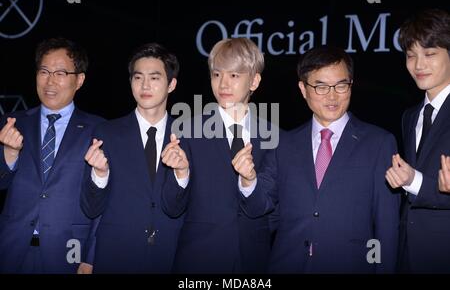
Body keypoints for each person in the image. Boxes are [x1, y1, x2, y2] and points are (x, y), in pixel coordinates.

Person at [234, 45, 400, 273]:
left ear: (351, 85)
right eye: (320, 87)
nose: (332, 96)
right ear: (303, 89)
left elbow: (387, 227)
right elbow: (259, 209)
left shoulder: (379, 143)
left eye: (341, 85)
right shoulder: (283, 144)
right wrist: (248, 180)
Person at [161, 37, 276, 273]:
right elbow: (170, 207)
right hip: (198, 261)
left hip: (253, 262)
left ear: (254, 81)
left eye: (234, 75)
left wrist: (249, 181)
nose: (223, 83)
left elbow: (270, 210)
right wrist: (181, 173)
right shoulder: (186, 131)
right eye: (216, 74)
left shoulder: (275, 138)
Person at [0, 37, 103, 273]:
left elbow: (103, 200)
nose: (50, 81)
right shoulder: (12, 123)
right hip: (10, 249)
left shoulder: (99, 130)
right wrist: (9, 153)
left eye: (60, 73)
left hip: (68, 253)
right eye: (44, 71)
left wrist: (90, 257)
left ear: (79, 80)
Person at [80, 43, 184, 273]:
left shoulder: (188, 138)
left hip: (170, 257)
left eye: (155, 78)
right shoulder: (106, 133)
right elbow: (90, 208)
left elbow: (181, 207)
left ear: (171, 84)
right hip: (116, 256)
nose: (145, 85)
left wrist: (182, 174)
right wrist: (99, 174)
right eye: (138, 77)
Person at [385, 8, 450, 273]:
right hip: (407, 256)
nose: (419, 65)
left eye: (430, 54)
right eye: (411, 55)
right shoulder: (410, 117)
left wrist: (413, 181)